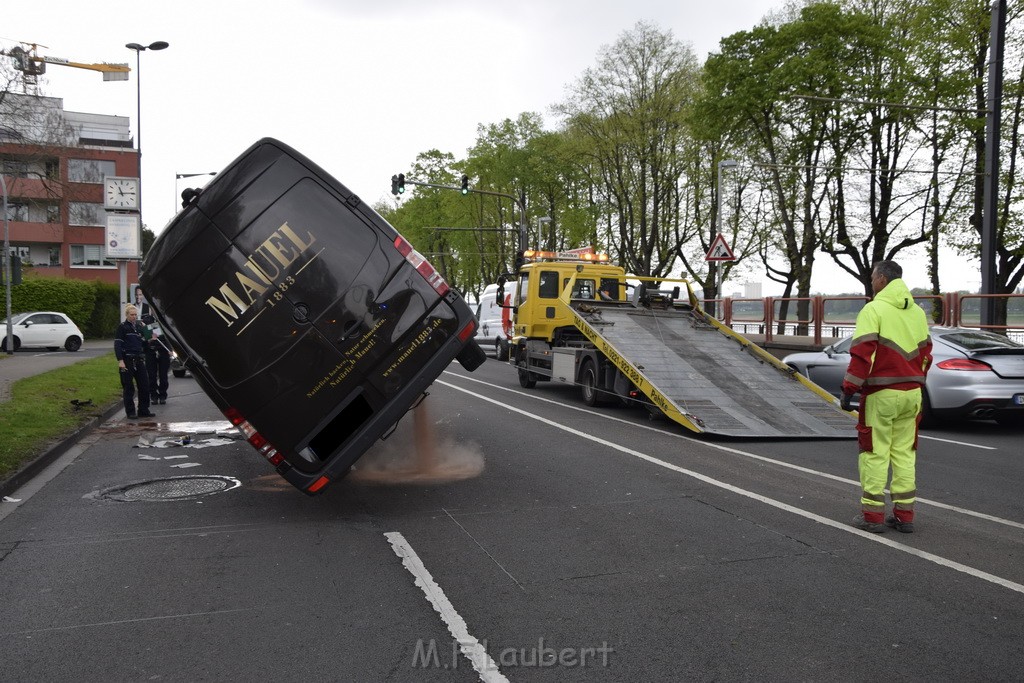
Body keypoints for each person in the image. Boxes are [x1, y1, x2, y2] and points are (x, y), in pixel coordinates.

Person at [841, 261, 932, 534]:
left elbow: (862, 354)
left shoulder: (873, 309)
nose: (872, 282)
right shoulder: (917, 312)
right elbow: (926, 354)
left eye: (873, 277)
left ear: (882, 279)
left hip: (881, 394)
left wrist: (848, 389)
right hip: (912, 394)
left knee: (874, 453)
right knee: (905, 453)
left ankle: (872, 516)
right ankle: (905, 516)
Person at [114, 304, 155, 419]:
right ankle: (130, 412)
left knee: (144, 385)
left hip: (138, 359)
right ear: (127, 315)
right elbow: (118, 344)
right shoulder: (122, 327)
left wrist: (149, 339)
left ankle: (143, 410)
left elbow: (142, 343)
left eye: (135, 315)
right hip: (127, 359)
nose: (134, 317)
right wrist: (120, 360)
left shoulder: (138, 327)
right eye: (132, 315)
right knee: (128, 387)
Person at [136, 287, 170, 405]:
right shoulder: (146, 320)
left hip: (163, 351)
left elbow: (169, 336)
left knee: (163, 375)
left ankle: (162, 395)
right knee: (151, 375)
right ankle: (153, 395)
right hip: (150, 351)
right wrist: (147, 339)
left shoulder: (164, 320)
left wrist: (170, 349)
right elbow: (143, 336)